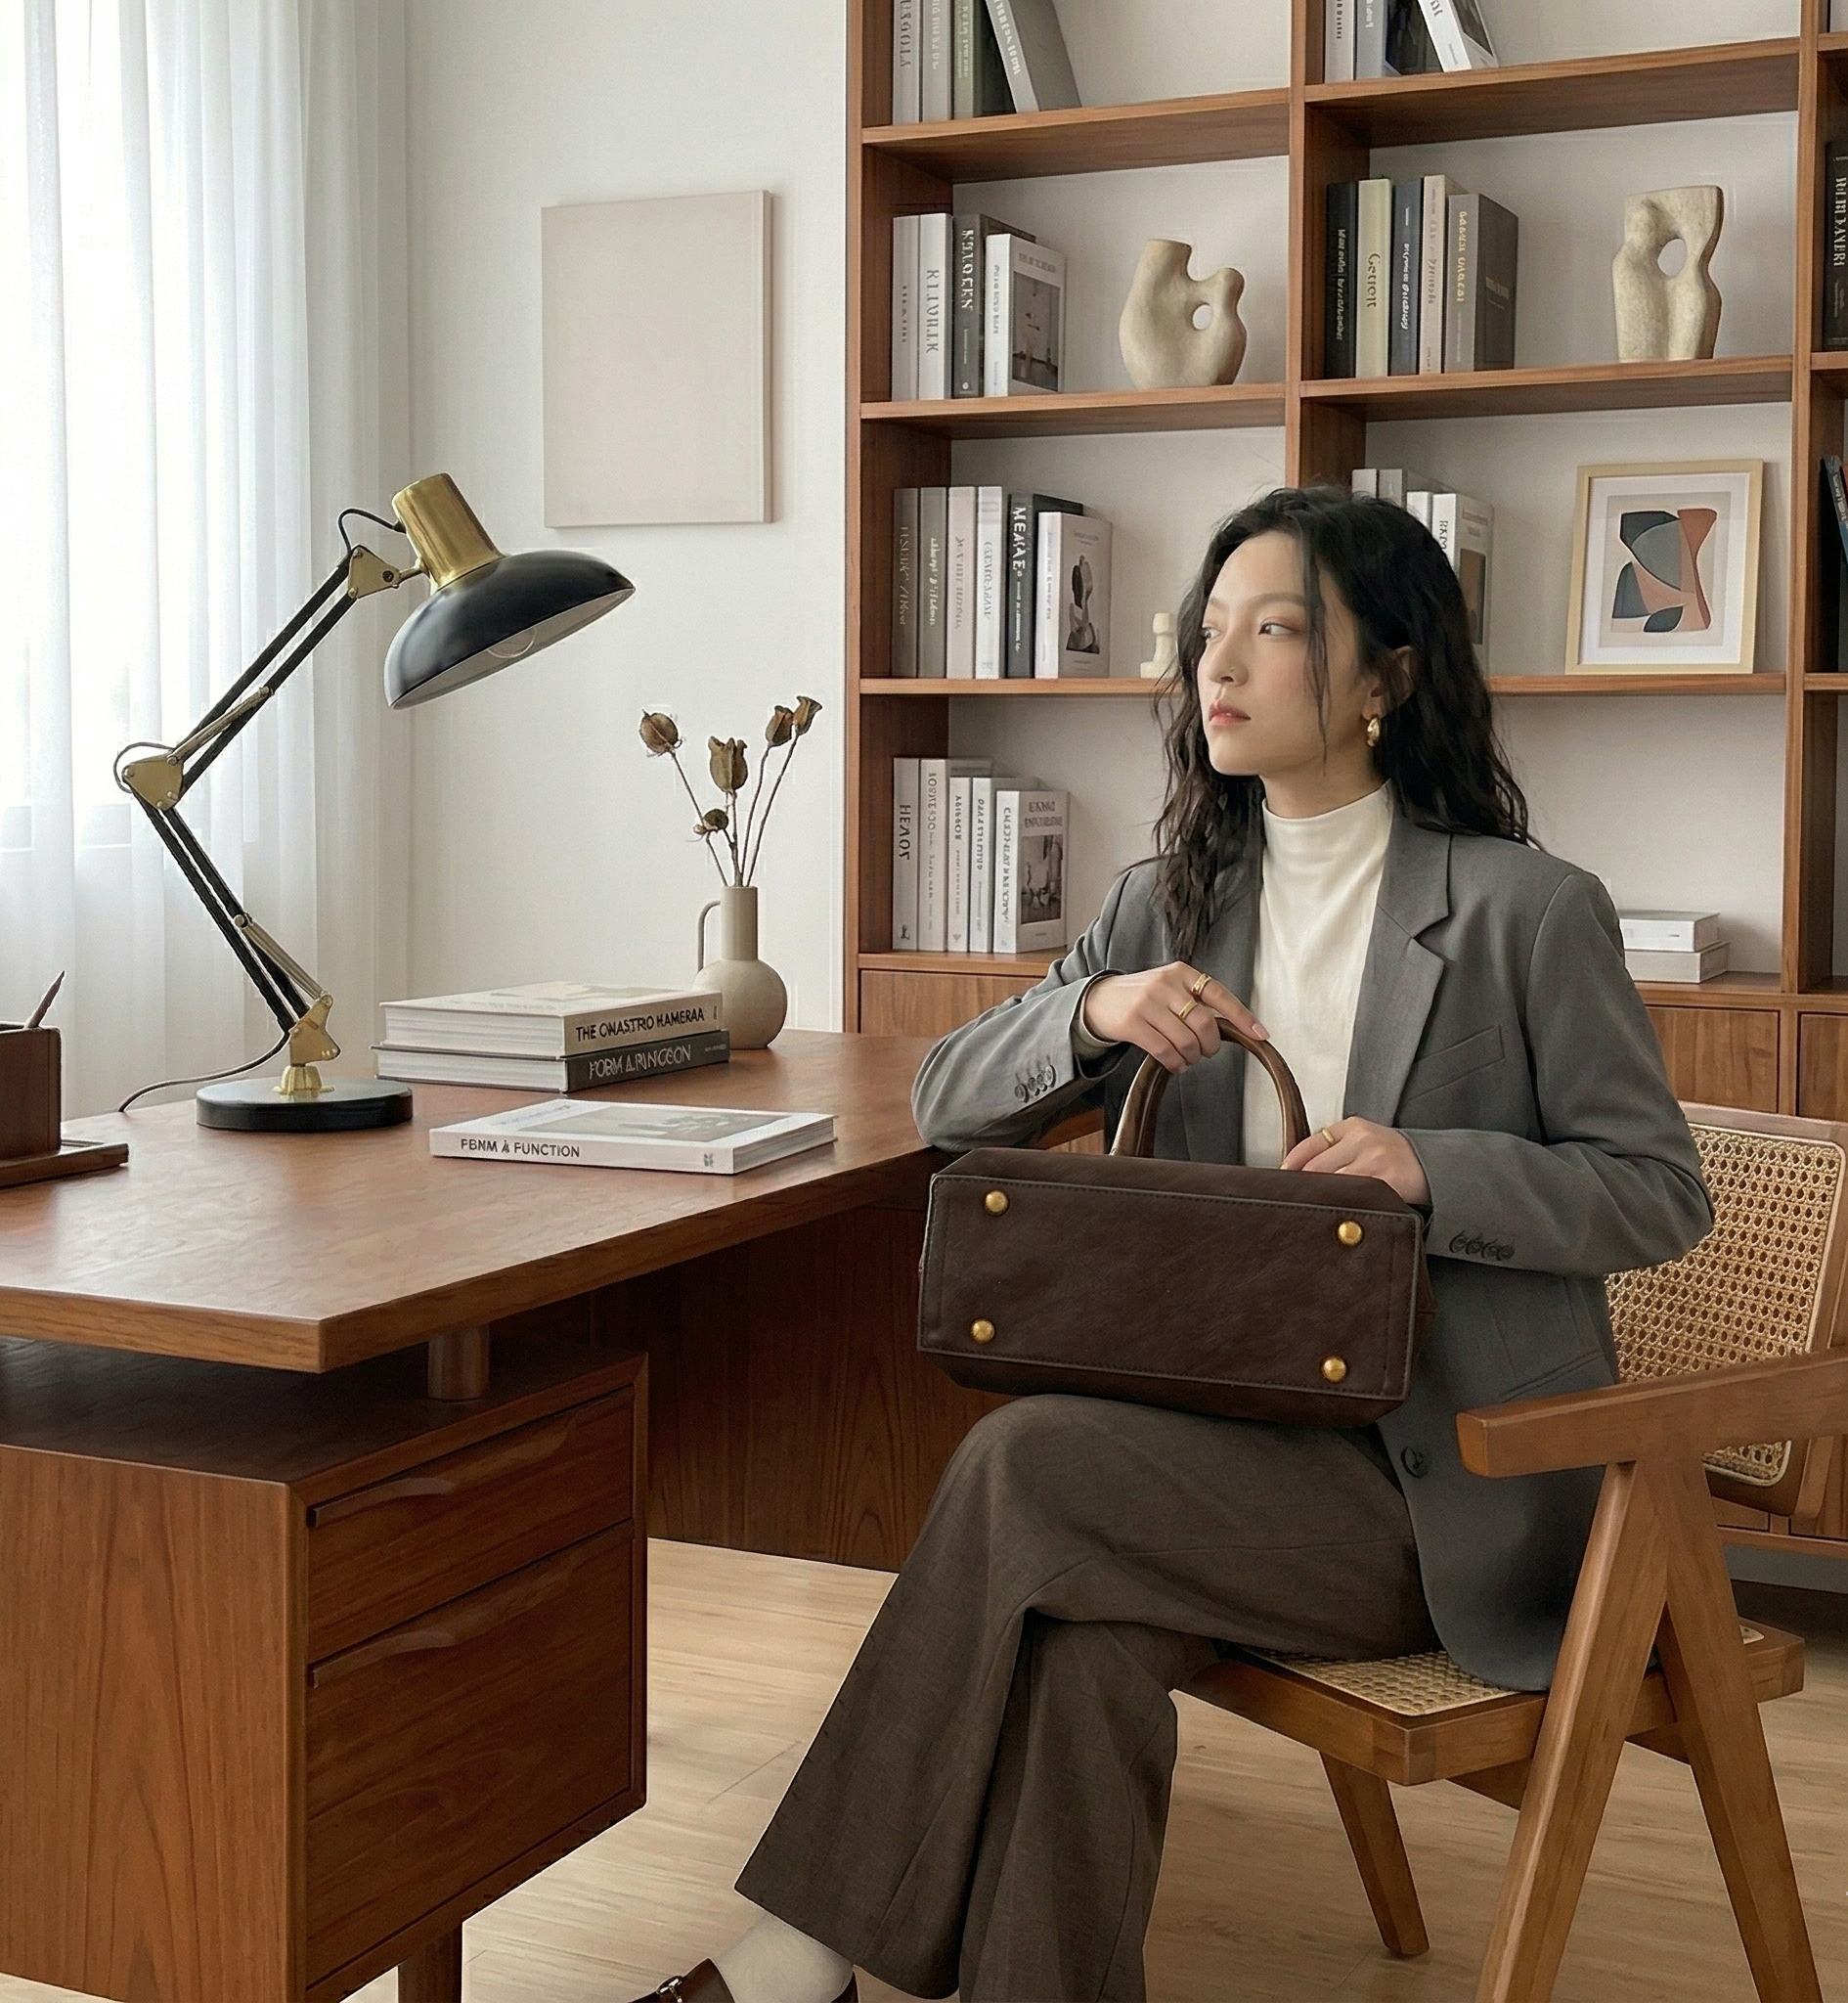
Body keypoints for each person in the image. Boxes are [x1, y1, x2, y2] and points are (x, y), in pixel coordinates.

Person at [632, 486, 1712, 2003]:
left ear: (1388, 679)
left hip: (1430, 1501)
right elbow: (945, 1104)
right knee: (1077, 1654)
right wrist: (1088, 1010)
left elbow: (1656, 1189)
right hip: (1204, 1461)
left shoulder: (1527, 913)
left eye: (1275, 631)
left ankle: (791, 1959)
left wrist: (1429, 1166)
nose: (1224, 665)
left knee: (1024, 1470)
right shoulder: (1168, 901)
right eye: (1211, 632)